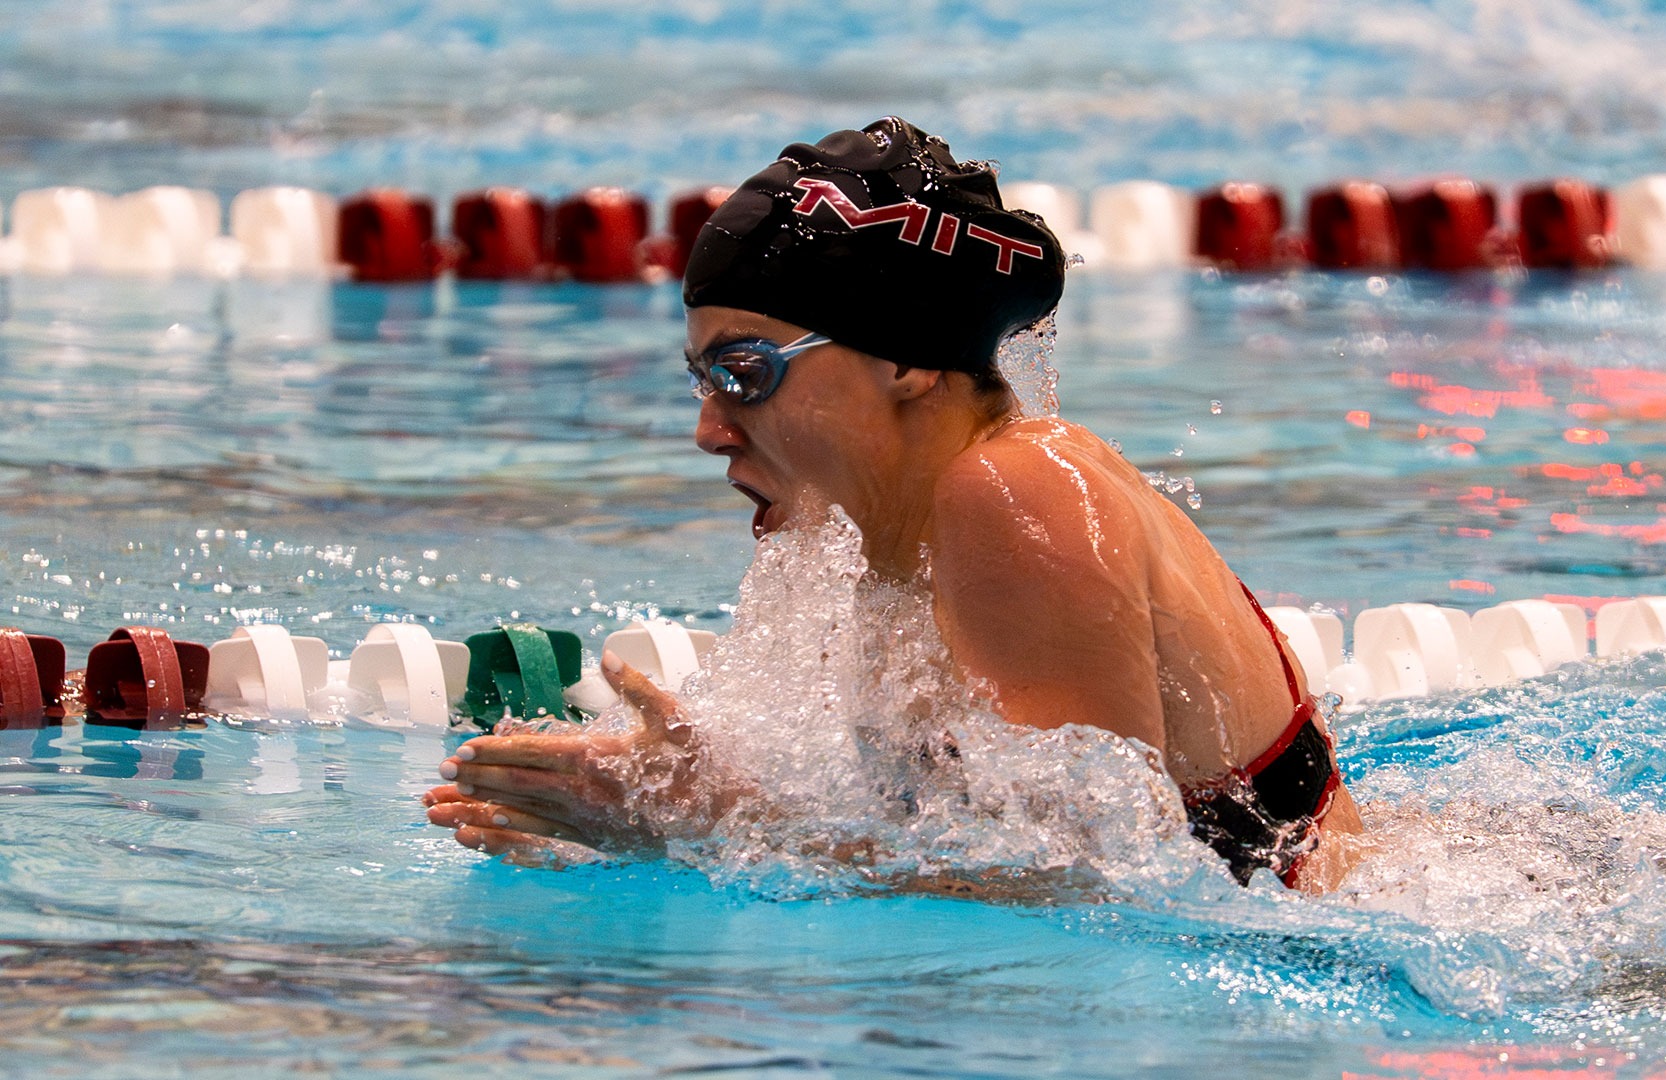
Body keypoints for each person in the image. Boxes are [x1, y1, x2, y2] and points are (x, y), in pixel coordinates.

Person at [423, 117, 1366, 892]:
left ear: (907, 360)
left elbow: (1098, 878)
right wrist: (670, 795)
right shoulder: (883, 534)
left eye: (744, 374)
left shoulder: (1008, 491)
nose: (711, 430)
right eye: (702, 382)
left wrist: (698, 827)